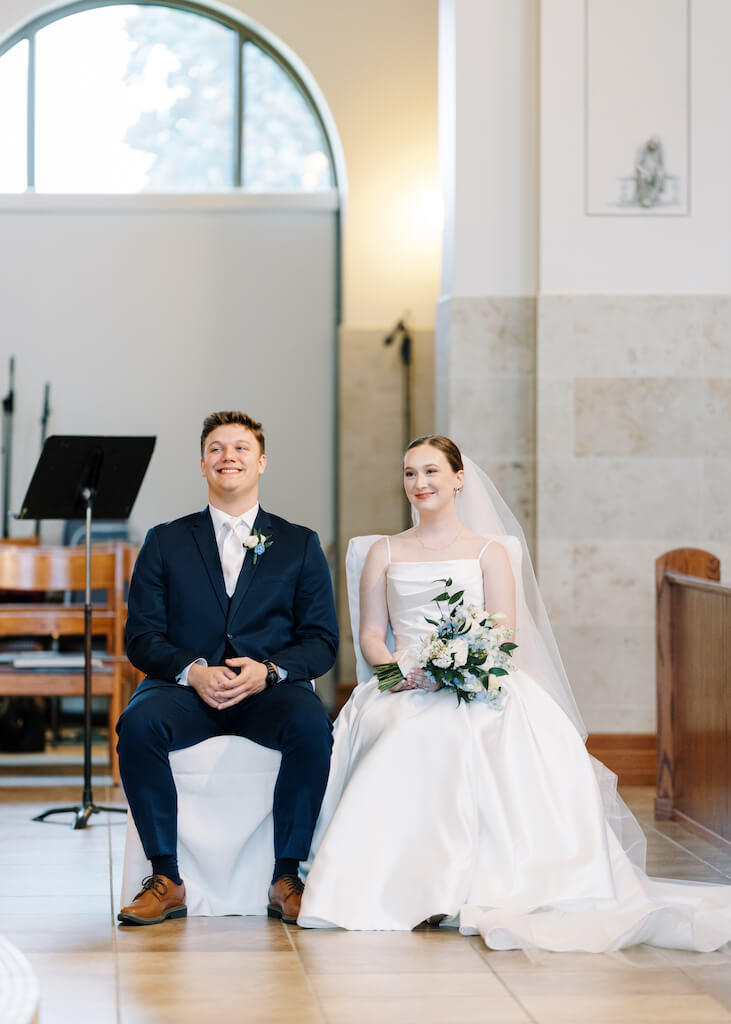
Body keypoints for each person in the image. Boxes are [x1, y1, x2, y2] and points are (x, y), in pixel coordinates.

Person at [298, 435, 731, 952]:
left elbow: (504, 634)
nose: (420, 484)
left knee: (485, 732)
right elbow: (371, 635)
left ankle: (481, 884)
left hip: (478, 680)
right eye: (410, 473)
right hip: (403, 681)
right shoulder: (384, 552)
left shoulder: (490, 552)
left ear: (459, 479)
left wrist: (459, 672)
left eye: (432, 472)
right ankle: (398, 886)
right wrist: (398, 676)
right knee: (396, 731)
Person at [117, 411, 338, 926]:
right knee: (138, 724)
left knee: (310, 725)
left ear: (261, 462)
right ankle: (166, 877)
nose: (228, 457)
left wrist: (271, 671)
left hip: (268, 691)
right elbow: (142, 637)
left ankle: (286, 877)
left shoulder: (299, 543)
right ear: (202, 465)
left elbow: (322, 641)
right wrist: (191, 671)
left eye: (241, 448)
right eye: (216, 448)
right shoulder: (164, 540)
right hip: (184, 691)